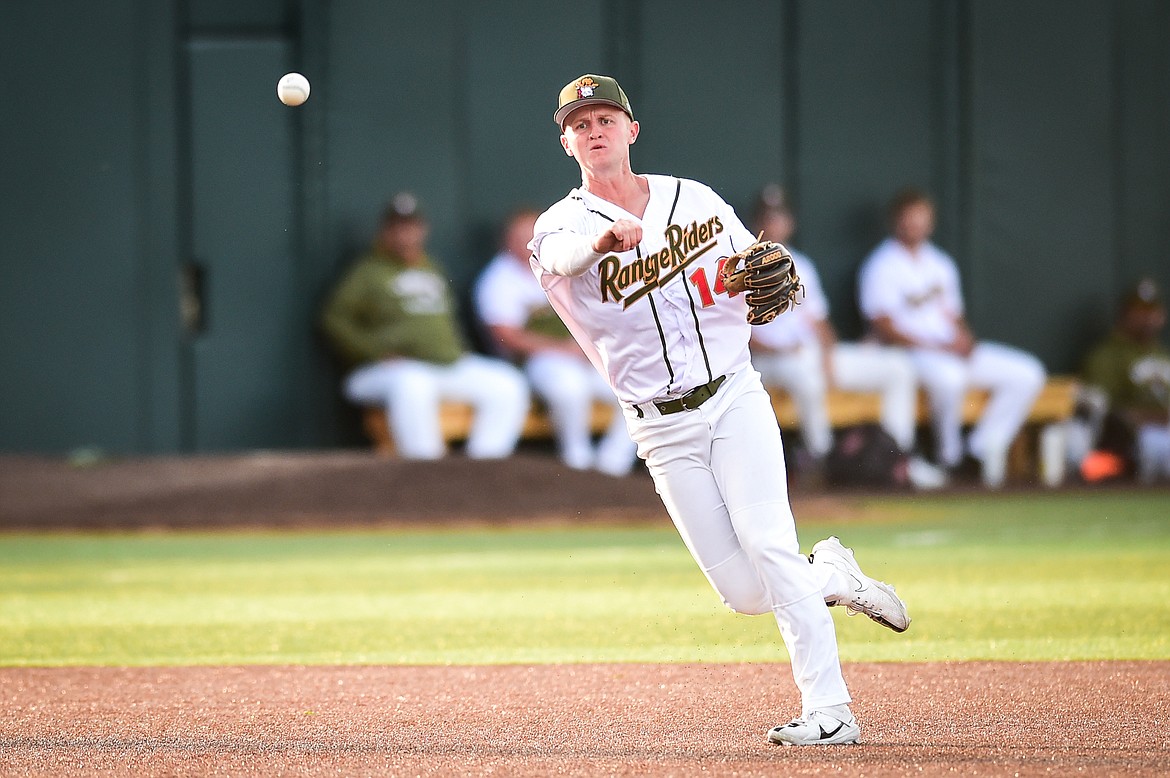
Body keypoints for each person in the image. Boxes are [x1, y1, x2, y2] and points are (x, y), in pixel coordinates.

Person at [529, 73, 909, 747]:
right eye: (580, 124)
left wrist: (762, 274)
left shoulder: (692, 199)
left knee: (768, 543)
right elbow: (560, 256)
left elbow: (748, 267)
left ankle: (831, 710)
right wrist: (602, 243)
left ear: (631, 130)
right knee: (744, 591)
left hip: (734, 395)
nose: (595, 130)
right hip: (662, 426)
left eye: (606, 119)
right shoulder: (560, 225)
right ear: (565, 142)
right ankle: (832, 575)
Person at [747, 184, 945, 490]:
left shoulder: (801, 264)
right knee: (806, 377)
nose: (775, 223)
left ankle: (896, 458)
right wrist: (780, 349)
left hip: (809, 355)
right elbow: (738, 332)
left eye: (780, 216)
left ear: (790, 221)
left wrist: (828, 352)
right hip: (768, 360)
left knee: (897, 368)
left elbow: (819, 320)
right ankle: (822, 458)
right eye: (768, 217)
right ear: (757, 221)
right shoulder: (742, 262)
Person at [857, 187, 1047, 488]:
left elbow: (954, 315)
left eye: (921, 218)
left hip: (948, 348)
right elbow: (883, 325)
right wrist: (938, 346)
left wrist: (965, 340)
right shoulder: (881, 264)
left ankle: (981, 450)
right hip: (913, 353)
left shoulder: (940, 263)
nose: (915, 224)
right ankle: (951, 457)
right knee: (950, 379)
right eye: (909, 218)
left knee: (1027, 373)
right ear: (896, 221)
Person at [320, 193, 530, 460]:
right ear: (385, 231)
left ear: (422, 229)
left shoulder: (431, 267)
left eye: (411, 227)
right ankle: (427, 473)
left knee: (507, 384)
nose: (405, 234)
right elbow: (333, 319)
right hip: (384, 371)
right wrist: (373, 351)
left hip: (443, 365)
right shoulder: (366, 271)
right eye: (397, 227)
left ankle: (481, 470)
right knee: (412, 384)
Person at [475, 208, 638, 476]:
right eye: (522, 236)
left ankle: (613, 466)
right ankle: (577, 461)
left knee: (633, 387)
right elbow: (506, 335)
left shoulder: (561, 266)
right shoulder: (500, 277)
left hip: (582, 355)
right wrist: (565, 350)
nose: (529, 242)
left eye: (534, 235)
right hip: (537, 361)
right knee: (569, 389)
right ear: (508, 241)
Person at [1081, 278, 1170, 483]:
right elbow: (1107, 413)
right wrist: (1156, 417)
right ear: (1125, 314)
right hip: (1141, 436)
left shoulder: (1163, 354)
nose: (1148, 318)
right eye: (1140, 311)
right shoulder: (1106, 355)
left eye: (1152, 311)